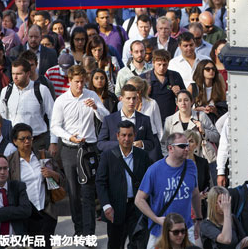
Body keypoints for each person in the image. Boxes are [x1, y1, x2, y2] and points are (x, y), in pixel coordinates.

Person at [50, 65, 109, 236]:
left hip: (89, 149)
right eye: (76, 82)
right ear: (69, 81)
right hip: (69, 149)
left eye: (82, 82)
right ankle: (79, 229)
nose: (80, 85)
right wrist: (69, 137)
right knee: (74, 193)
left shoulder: (91, 95)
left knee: (88, 193)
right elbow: (55, 126)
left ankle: (89, 233)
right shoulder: (61, 100)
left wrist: (96, 108)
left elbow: (106, 117)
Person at [135, 132, 203, 249]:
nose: (187, 148)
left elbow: (195, 193)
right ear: (170, 148)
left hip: (185, 230)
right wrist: (156, 219)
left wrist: (198, 219)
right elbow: (139, 200)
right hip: (160, 231)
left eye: (187, 145)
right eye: (182, 146)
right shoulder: (154, 170)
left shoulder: (191, 166)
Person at [96, 120, 153, 249]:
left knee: (138, 244)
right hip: (115, 209)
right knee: (115, 244)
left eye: (130, 135)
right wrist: (106, 206)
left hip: (137, 208)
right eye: (123, 135)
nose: (126, 139)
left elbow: (150, 180)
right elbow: (100, 182)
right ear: (117, 136)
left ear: (135, 135)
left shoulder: (142, 156)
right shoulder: (107, 156)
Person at [8, 123, 64, 248]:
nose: (27, 141)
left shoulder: (43, 156)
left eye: (29, 138)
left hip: (46, 212)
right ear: (15, 141)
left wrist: (52, 173)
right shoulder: (10, 162)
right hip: (26, 215)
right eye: (22, 139)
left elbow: (61, 179)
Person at [0, 58, 57, 153]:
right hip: (14, 143)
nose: (15, 77)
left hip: (38, 142)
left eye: (19, 74)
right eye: (13, 74)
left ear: (28, 73)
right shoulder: (6, 91)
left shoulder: (42, 90)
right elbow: (2, 118)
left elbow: (53, 117)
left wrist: (53, 142)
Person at [98, 84, 156, 152]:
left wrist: (142, 144)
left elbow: (152, 143)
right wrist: (121, 144)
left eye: (134, 98)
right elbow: (100, 144)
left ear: (137, 99)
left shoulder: (145, 119)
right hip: (115, 160)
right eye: (128, 98)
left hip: (137, 160)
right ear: (121, 99)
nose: (131, 102)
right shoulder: (109, 120)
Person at [162, 90, 219, 154]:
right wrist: (170, 159)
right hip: (178, 160)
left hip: (199, 159)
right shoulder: (169, 120)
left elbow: (216, 136)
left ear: (192, 102)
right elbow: (164, 144)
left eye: (186, 100)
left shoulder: (201, 116)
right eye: (180, 100)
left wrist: (204, 132)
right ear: (177, 103)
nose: (183, 103)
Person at [143, 49, 186, 123]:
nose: (162, 68)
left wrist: (179, 93)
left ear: (168, 63)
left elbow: (186, 98)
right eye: (159, 64)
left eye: (164, 64)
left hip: (171, 120)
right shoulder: (144, 78)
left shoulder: (175, 76)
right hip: (151, 120)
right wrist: (144, 94)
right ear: (153, 63)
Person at [189, 59, 226, 125]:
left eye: (213, 69)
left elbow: (224, 108)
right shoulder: (193, 87)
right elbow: (184, 108)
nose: (211, 71)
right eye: (207, 69)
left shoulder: (218, 87)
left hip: (214, 123)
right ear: (201, 70)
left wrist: (215, 110)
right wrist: (197, 109)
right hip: (197, 123)